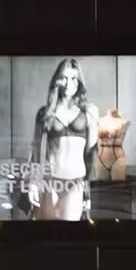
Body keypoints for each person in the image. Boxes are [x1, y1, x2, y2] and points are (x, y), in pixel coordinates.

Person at [28, 58, 97, 221]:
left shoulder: (89, 112)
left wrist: (88, 193)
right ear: (56, 79)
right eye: (64, 77)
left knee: (69, 236)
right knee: (44, 235)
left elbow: (91, 156)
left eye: (74, 78)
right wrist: (32, 183)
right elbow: (37, 151)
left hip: (75, 182)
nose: (69, 83)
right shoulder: (45, 114)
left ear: (79, 82)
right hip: (49, 181)